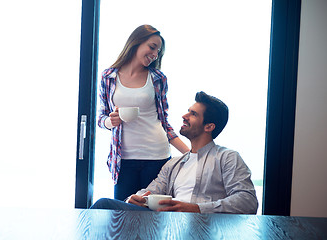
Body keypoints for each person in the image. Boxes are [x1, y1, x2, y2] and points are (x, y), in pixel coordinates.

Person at [92, 91, 258, 214]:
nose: (184, 116)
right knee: (106, 210)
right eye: (188, 111)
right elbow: (151, 191)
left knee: (103, 205)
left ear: (209, 126)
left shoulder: (227, 157)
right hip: (168, 224)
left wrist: (196, 209)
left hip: (207, 226)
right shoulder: (174, 164)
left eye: (193, 114)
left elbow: (247, 201)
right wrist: (135, 199)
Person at [97, 24, 189, 201]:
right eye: (152, 47)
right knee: (122, 215)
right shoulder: (108, 76)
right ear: (136, 42)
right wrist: (110, 122)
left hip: (157, 155)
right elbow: (101, 117)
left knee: (154, 217)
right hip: (123, 159)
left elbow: (164, 121)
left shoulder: (158, 79)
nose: (155, 54)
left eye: (158, 52)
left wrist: (191, 154)